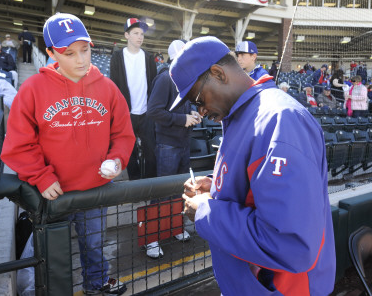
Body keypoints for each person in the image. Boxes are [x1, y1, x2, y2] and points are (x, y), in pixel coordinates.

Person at [169, 36, 335, 295]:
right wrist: (217, 186)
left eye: (198, 99)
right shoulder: (242, 113)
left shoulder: (280, 120)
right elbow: (258, 188)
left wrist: (206, 212)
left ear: (218, 73)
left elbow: (291, 245)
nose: (200, 111)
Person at [1, 13, 135, 295]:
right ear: (51, 53)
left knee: (95, 244)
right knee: (47, 249)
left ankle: (97, 286)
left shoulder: (107, 87)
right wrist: (40, 175)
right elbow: (18, 144)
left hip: (95, 190)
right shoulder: (32, 89)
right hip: (54, 192)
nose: (80, 59)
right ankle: (41, 291)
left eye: (85, 50)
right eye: (69, 53)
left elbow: (123, 134)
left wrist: (117, 159)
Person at [146, 40, 201, 258]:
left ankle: (174, 227)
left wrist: (194, 114)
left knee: (179, 189)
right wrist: (182, 119)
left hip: (181, 142)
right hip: (167, 143)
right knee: (161, 192)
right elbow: (153, 111)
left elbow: (183, 109)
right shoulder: (165, 78)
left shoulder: (183, 79)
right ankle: (151, 237)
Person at [110, 18, 157, 180]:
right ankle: (135, 182)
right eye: (136, 33)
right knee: (130, 151)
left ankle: (150, 183)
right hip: (127, 113)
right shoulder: (117, 57)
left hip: (146, 113)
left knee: (150, 150)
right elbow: (114, 86)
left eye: (142, 34)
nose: (140, 37)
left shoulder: (148, 57)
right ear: (126, 35)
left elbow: (153, 84)